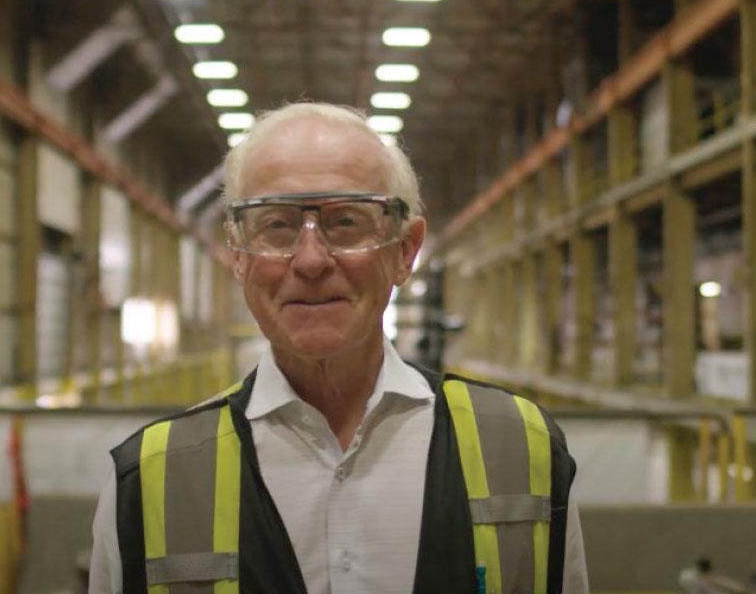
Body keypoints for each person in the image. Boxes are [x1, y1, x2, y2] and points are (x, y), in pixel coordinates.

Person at [88, 102, 589, 594]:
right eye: (277, 224)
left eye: (346, 221)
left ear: (405, 250)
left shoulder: (523, 452)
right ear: (237, 256)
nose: (309, 260)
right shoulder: (150, 479)